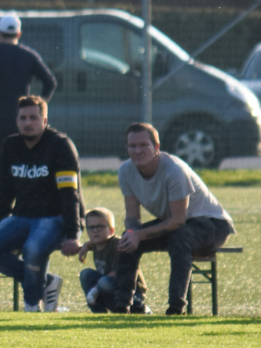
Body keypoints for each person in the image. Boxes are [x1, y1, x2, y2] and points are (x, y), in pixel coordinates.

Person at [0, 95, 83, 312]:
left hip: (56, 217)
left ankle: (32, 306)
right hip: (21, 217)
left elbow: (69, 194)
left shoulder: (60, 146)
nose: (28, 123)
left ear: (45, 121)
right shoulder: (11, 145)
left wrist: (73, 234)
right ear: (16, 121)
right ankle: (45, 281)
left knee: (32, 248)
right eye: (23, 118)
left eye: (33, 118)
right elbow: (4, 190)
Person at [114, 122, 234, 315]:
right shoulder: (125, 171)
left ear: (156, 147)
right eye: (132, 146)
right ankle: (122, 306)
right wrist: (131, 233)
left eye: (144, 145)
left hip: (212, 224)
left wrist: (139, 234)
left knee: (180, 238)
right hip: (176, 224)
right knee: (126, 240)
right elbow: (132, 217)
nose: (137, 151)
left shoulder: (174, 170)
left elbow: (178, 220)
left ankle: (176, 308)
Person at [0, 14, 57, 161]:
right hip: (20, 122)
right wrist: (36, 109)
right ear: (19, 34)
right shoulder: (29, 55)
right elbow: (50, 82)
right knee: (20, 163)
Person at [77, 207, 149, 314]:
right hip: (109, 286)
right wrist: (87, 245)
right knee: (85, 274)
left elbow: (118, 272)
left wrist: (95, 289)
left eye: (100, 227)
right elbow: (95, 241)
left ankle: (139, 307)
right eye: (91, 227)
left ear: (111, 230)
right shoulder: (96, 243)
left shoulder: (119, 245)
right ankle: (99, 313)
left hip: (132, 290)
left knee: (103, 282)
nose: (95, 230)